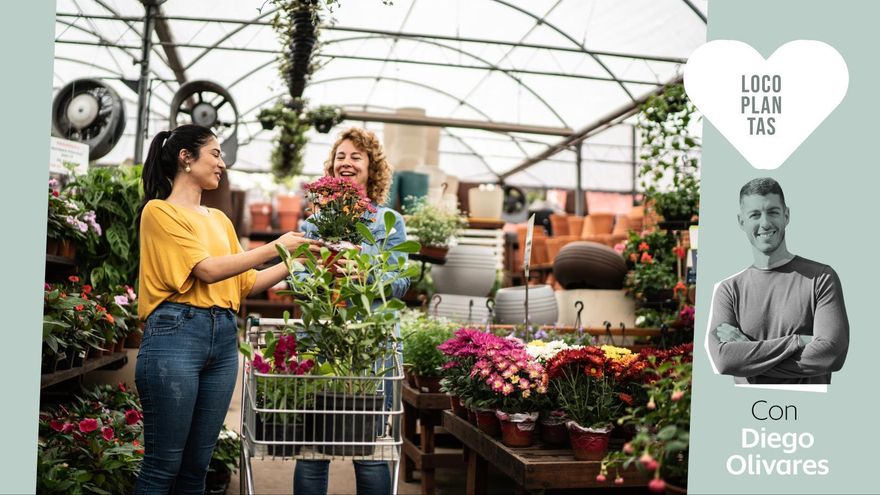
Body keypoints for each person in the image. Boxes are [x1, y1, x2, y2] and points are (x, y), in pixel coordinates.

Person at [135, 124, 321, 494]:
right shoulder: (159, 212)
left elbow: (246, 282)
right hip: (175, 337)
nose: (222, 164)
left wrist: (297, 259)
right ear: (186, 158)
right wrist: (277, 246)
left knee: (197, 468)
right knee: (163, 465)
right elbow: (206, 270)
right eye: (216, 154)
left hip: (222, 338)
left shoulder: (219, 219)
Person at [293, 127, 409, 495]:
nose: (346, 162)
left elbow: (401, 282)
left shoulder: (388, 222)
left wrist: (366, 272)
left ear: (372, 169)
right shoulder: (313, 225)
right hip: (323, 339)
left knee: (370, 450)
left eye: (356, 157)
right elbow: (298, 280)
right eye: (340, 156)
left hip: (371, 343)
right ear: (331, 168)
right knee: (312, 450)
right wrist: (322, 275)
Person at [707, 177, 849, 385]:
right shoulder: (728, 290)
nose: (765, 223)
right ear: (741, 222)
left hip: (808, 405)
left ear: (786, 215)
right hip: (747, 405)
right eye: (755, 215)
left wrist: (748, 357)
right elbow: (724, 361)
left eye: (773, 212)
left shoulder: (821, 278)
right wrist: (797, 341)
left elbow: (832, 356)